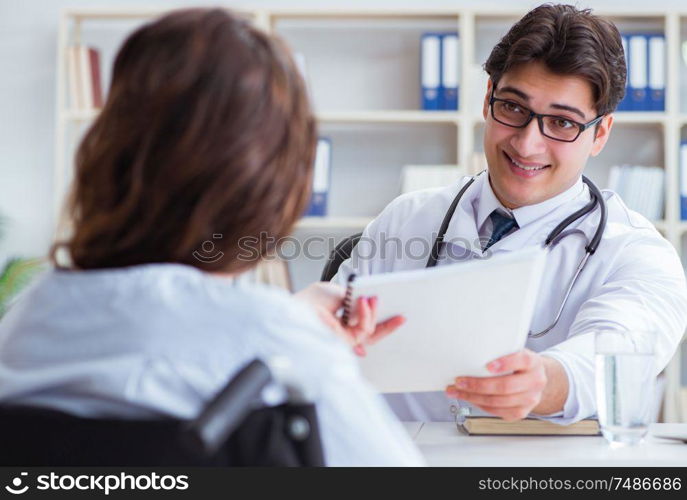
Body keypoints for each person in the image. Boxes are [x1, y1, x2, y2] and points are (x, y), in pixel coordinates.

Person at [0, 9, 422, 466]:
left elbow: (155, 338)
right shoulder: (288, 350)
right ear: (271, 184)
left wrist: (288, 320)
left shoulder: (23, 325)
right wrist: (288, 331)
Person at [333, 4, 687, 424]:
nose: (527, 144)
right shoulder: (405, 219)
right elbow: (327, 344)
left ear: (600, 134)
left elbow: (614, 354)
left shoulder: (636, 252)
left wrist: (544, 380)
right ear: (487, 100)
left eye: (562, 122)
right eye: (514, 109)